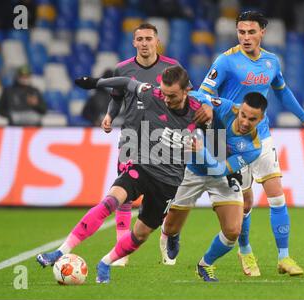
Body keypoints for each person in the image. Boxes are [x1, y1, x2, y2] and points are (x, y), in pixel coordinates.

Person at [36, 66, 213, 284]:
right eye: (164, 94)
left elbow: (218, 118)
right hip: (141, 166)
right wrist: (95, 82)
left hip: (168, 182)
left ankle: (106, 263)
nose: (166, 99)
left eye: (172, 96)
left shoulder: (199, 111)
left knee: (140, 235)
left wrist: (206, 128)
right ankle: (60, 252)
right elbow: (125, 82)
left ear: (186, 91)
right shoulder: (152, 93)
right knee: (110, 201)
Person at [195, 11, 304, 276]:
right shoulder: (226, 61)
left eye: (251, 32)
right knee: (247, 203)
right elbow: (204, 91)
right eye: (241, 32)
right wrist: (209, 110)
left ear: (263, 31)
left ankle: (284, 257)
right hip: (234, 140)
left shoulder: (271, 62)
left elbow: (282, 91)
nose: (246, 37)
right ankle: (246, 251)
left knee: (277, 195)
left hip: (261, 136)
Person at [100, 23, 185, 267]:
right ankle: (121, 251)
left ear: (157, 41)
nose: (145, 43)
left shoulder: (173, 68)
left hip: (164, 142)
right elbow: (116, 99)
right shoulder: (123, 69)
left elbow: (186, 101)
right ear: (134, 42)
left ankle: (168, 235)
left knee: (165, 199)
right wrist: (109, 116)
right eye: (140, 39)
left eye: (149, 38)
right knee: (123, 195)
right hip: (131, 139)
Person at [161, 92, 268, 282]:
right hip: (193, 171)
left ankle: (205, 265)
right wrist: (205, 105)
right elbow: (193, 94)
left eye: (252, 119)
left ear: (261, 119)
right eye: (243, 115)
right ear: (239, 109)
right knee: (170, 228)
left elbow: (219, 170)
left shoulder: (253, 147)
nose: (245, 122)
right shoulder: (226, 107)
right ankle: (172, 233)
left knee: (233, 231)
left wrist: (202, 150)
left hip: (222, 176)